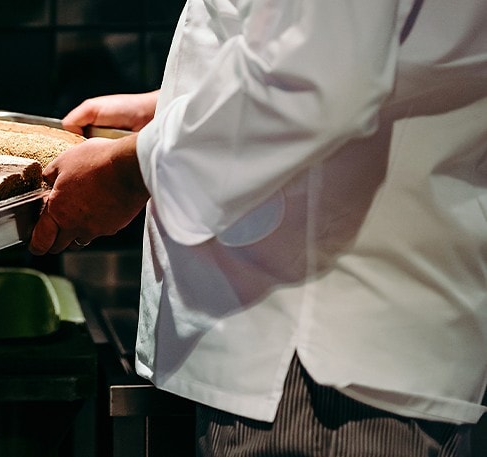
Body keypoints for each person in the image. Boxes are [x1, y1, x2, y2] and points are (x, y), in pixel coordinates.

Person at [28, 0, 487, 455]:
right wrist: (175, 105)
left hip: (316, 374)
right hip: (318, 353)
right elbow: (326, 55)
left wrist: (128, 172)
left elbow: (311, 83)